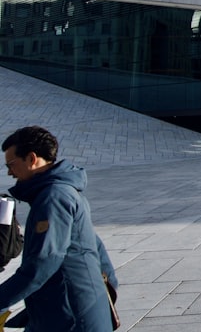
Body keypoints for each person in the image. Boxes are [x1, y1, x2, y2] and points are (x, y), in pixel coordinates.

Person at [0, 126, 118, 331]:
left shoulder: (53, 198)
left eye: (11, 164)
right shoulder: (66, 191)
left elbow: (42, 263)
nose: (9, 172)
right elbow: (98, 253)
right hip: (77, 309)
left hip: (70, 317)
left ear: (31, 158)